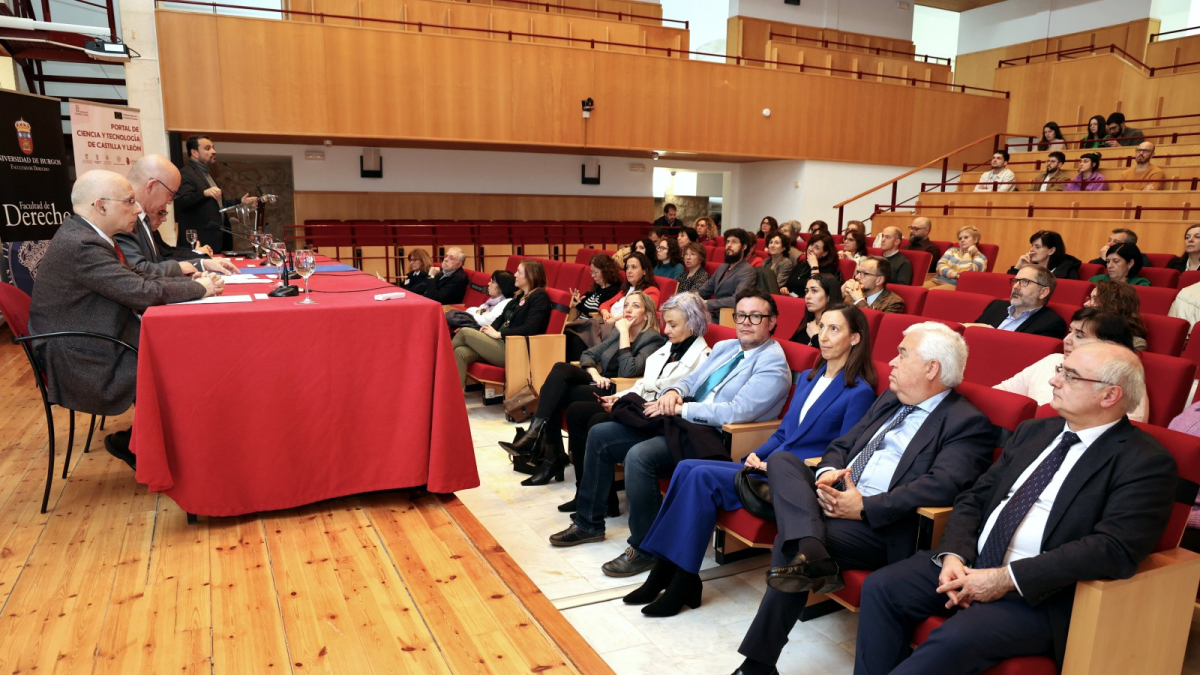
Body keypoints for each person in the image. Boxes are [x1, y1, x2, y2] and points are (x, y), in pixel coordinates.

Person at [854, 342, 1175, 675]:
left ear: (1109, 395)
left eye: (1070, 376)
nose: (1054, 380)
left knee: (957, 637)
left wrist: (1005, 578)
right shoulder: (1034, 431)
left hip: (1038, 591)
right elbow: (974, 498)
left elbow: (1113, 548)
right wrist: (955, 555)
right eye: (1060, 370)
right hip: (972, 561)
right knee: (883, 587)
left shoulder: (1145, 462)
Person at [732, 322, 995, 675]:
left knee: (789, 542)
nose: (892, 362)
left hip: (882, 526)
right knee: (782, 461)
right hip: (834, 495)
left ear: (932, 368)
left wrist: (863, 508)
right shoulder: (890, 399)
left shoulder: (966, 422)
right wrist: (827, 474)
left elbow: (941, 486)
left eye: (902, 355)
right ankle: (811, 544)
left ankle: (759, 662)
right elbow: (842, 445)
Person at [627, 304, 878, 616]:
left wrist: (777, 465)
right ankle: (664, 571)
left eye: (834, 329)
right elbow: (784, 432)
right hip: (768, 466)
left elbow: (841, 454)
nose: (823, 336)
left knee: (700, 475)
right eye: (822, 327)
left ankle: (681, 580)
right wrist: (758, 453)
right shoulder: (810, 378)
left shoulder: (859, 392)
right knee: (686, 467)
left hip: (797, 483)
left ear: (855, 338)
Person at [548, 289, 791, 579]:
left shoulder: (773, 364)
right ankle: (588, 523)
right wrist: (675, 391)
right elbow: (691, 380)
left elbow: (736, 412)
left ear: (772, 321)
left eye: (756, 316)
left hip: (716, 438)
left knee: (639, 456)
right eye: (740, 315)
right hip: (682, 425)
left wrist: (681, 409)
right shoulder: (727, 347)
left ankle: (645, 548)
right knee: (601, 433)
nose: (746, 322)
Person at [29, 170, 221, 468]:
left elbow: (137, 276)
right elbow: (140, 292)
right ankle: (147, 447)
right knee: (176, 362)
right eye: (130, 201)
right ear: (101, 205)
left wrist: (192, 283)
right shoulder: (82, 245)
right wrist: (200, 289)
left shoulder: (89, 235)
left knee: (178, 351)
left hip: (93, 337)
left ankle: (161, 443)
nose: (138, 208)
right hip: (80, 355)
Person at [558, 293, 712, 513]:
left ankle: (597, 504)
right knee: (577, 410)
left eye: (672, 325)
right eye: (666, 323)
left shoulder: (703, 358)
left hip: (657, 420)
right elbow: (643, 384)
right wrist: (619, 397)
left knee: (596, 421)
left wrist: (625, 402)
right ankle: (588, 503)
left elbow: (663, 397)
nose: (666, 330)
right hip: (640, 408)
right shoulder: (669, 347)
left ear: (693, 324)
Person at [502, 292, 666, 485]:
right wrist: (595, 374)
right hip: (600, 382)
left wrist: (624, 334)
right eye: (626, 305)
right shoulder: (618, 332)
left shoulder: (652, 339)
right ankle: (542, 444)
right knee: (560, 370)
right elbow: (588, 354)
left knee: (552, 392)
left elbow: (628, 371)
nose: (628, 309)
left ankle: (546, 451)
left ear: (647, 314)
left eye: (635, 306)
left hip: (618, 392)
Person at [996, 308, 1148, 422]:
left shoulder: (1125, 380)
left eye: (1079, 335)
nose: (1066, 340)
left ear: (1108, 344)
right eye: (1070, 331)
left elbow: (1122, 434)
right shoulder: (1053, 360)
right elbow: (1001, 393)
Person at [115, 154, 238, 278]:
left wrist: (202, 262)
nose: (170, 202)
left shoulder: (143, 218)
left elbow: (161, 257)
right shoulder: (123, 220)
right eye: (171, 194)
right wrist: (190, 277)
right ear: (151, 186)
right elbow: (137, 271)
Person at [452, 259, 550, 388]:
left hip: (515, 350)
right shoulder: (519, 296)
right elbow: (500, 319)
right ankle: (455, 397)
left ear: (530, 276)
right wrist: (485, 331)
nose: (515, 275)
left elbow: (530, 328)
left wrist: (499, 334)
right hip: (500, 344)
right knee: (460, 352)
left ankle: (434, 363)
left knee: (465, 332)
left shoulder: (539, 296)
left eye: (519, 272)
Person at [174, 135, 258, 252]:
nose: (214, 151)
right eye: (207, 148)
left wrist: (241, 202)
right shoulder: (186, 173)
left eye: (213, 147)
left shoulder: (208, 175)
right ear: (195, 153)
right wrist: (203, 193)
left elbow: (219, 206)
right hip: (199, 243)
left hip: (218, 241)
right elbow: (182, 201)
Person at [968, 265, 1067, 338]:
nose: (1015, 286)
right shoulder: (996, 306)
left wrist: (990, 333)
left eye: (1025, 282)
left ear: (1043, 292)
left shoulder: (1051, 324)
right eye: (1016, 281)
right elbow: (969, 335)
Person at [697, 228, 759, 320]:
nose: (729, 245)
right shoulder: (722, 267)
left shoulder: (748, 271)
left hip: (727, 317)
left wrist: (706, 303)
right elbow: (704, 290)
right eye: (727, 242)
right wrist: (691, 297)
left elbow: (737, 299)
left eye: (734, 242)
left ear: (744, 247)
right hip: (711, 314)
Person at [1085, 280, 1149, 350]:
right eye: (1090, 298)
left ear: (1113, 306)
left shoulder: (1135, 343)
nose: (1086, 304)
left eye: (1095, 299)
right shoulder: (1082, 329)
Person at [599, 253, 660, 323]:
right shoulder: (626, 290)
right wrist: (605, 313)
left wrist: (614, 320)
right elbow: (604, 305)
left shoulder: (651, 291)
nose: (629, 271)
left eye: (634, 267)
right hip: (609, 324)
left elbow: (642, 315)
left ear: (644, 271)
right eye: (627, 268)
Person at [446, 270, 515, 331]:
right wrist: (481, 313)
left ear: (502, 287)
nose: (489, 284)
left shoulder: (506, 302)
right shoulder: (491, 301)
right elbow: (470, 310)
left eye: (493, 282)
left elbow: (486, 321)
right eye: (490, 281)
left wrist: (479, 312)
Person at [791, 273, 840, 347]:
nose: (807, 296)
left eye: (814, 291)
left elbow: (833, 353)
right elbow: (792, 344)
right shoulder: (808, 320)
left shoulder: (837, 326)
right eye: (807, 291)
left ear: (829, 296)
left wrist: (816, 336)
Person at [1008, 230, 1081, 279]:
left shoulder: (1066, 272)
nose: (1031, 250)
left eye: (1037, 247)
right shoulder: (1031, 267)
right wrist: (1017, 268)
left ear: (1051, 251)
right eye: (1032, 246)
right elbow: (1007, 287)